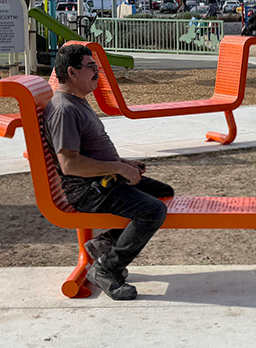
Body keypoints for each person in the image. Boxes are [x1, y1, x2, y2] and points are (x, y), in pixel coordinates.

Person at [44, 44, 174, 301]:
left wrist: (123, 162)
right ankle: (106, 268)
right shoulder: (64, 110)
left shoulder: (77, 102)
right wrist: (117, 167)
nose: (97, 72)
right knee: (152, 210)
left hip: (102, 181)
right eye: (91, 67)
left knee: (162, 192)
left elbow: (89, 151)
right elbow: (70, 164)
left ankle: (102, 244)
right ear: (72, 72)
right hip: (89, 191)